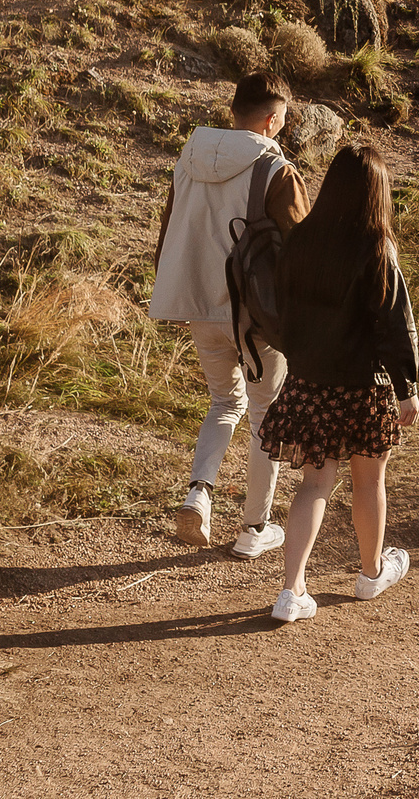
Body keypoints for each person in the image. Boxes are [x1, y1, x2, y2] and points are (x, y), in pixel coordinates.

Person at [259, 144, 419, 623]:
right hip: (365, 386)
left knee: (314, 484)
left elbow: (281, 313)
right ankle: (371, 574)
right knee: (369, 480)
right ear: (378, 193)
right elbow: (396, 325)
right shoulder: (376, 247)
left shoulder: (301, 239)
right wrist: (406, 389)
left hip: (310, 382)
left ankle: (291, 592)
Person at [151, 70, 307, 556]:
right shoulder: (275, 170)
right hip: (259, 314)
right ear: (272, 118)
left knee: (224, 403)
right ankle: (254, 531)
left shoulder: (189, 158)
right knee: (266, 414)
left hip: (201, 303)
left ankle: (199, 495)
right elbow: (303, 248)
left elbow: (169, 226)